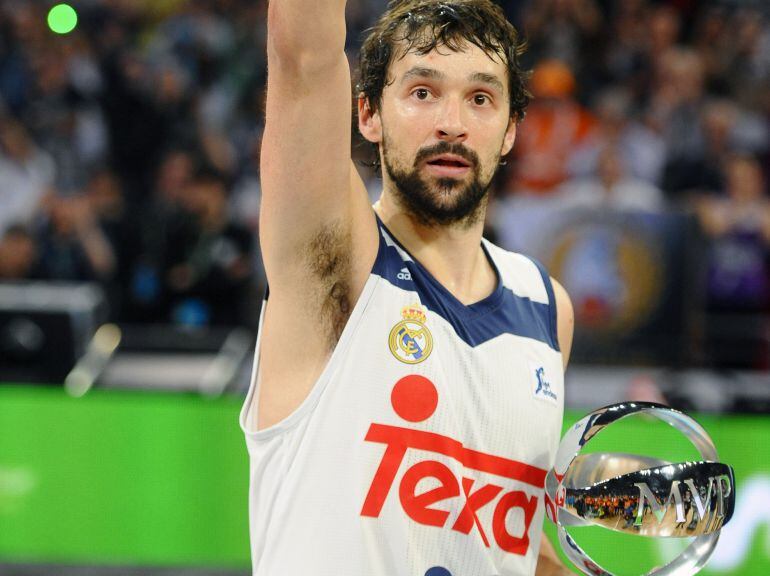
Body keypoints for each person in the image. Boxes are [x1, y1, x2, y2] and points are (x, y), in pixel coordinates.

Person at [239, 1, 574, 575]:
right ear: (367, 113)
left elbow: (515, 549)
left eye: (480, 98)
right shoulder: (334, 259)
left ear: (511, 130)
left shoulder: (547, 306)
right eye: (422, 92)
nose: (452, 122)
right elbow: (302, 55)